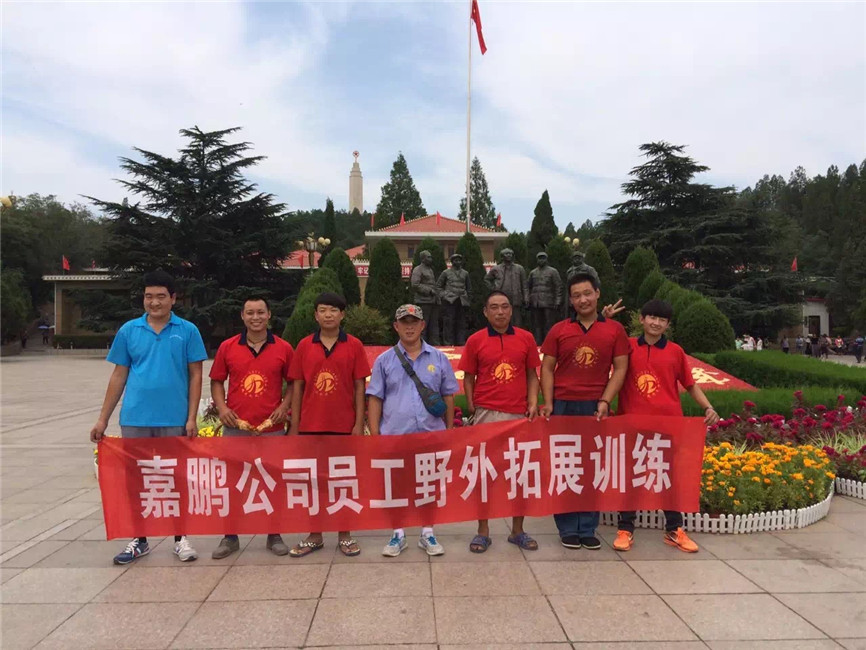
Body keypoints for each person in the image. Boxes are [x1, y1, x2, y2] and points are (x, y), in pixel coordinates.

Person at [90, 270, 207, 565]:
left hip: (174, 418)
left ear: (173, 298)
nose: (154, 302)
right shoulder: (129, 330)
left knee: (178, 478)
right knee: (136, 481)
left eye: (161, 296)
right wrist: (103, 419)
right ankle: (139, 539)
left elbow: (196, 375)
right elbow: (119, 375)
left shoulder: (187, 331)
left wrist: (191, 417)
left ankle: (181, 538)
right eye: (148, 296)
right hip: (136, 418)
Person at [612, 299, 720, 553]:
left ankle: (674, 529)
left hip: (667, 426)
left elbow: (690, 384)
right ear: (642, 319)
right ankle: (625, 529)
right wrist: (605, 319)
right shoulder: (627, 347)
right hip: (633, 423)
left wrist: (708, 407)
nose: (656, 323)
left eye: (662, 320)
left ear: (668, 325)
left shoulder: (675, 352)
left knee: (668, 478)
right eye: (652, 317)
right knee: (632, 476)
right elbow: (604, 343)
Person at [540, 272, 629, 550]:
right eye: (576, 295)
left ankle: (588, 527)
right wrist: (549, 402)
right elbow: (546, 367)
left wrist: (605, 400)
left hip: (595, 405)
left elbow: (621, 368)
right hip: (564, 404)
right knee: (565, 465)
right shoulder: (559, 330)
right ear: (570, 300)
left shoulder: (614, 330)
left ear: (598, 293)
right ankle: (567, 527)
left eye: (587, 293)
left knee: (592, 466)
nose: (583, 300)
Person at [367, 304, 459, 557]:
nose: (409, 327)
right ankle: (398, 534)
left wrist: (449, 430)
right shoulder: (384, 360)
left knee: (429, 484)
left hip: (430, 434)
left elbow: (448, 395)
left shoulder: (438, 358)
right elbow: (375, 398)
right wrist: (375, 435)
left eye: (414, 322)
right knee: (396, 486)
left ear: (422, 325)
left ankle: (428, 532)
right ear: (396, 326)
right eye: (404, 323)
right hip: (395, 435)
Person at [287, 292, 371, 558]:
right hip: (311, 425)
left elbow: (360, 386)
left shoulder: (354, 345)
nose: (328, 315)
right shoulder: (304, 346)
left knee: (343, 481)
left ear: (342, 315)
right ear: (315, 315)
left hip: (343, 426)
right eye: (322, 310)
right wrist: (295, 425)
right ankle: (315, 535)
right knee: (313, 482)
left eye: (333, 310)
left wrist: (358, 423)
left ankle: (345, 535)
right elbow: (297, 386)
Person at [209, 296, 294, 559]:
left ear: (269, 315)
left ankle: (274, 534)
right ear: (242, 316)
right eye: (250, 313)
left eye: (260, 312)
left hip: (271, 428)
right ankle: (230, 536)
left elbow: (293, 383)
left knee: (272, 482)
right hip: (237, 427)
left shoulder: (283, 348)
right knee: (233, 482)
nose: (255, 317)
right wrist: (222, 409)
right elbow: (217, 381)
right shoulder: (227, 347)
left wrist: (285, 406)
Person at [460, 290, 540, 553]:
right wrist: (472, 405)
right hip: (487, 413)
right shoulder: (476, 340)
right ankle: (483, 531)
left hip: (518, 415)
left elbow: (532, 374)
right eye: (494, 307)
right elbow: (468, 377)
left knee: (519, 474)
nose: (500, 312)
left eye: (505, 306)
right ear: (485, 312)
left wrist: (532, 402)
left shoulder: (526, 338)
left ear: (511, 310)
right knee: (485, 474)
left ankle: (518, 530)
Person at [484, 248, 529, 327]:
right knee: (502, 318)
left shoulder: (519, 268)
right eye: (506, 254)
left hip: (516, 297)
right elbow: (486, 279)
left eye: (510, 254)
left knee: (517, 321)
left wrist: (526, 297)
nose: (509, 255)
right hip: (501, 297)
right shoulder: (496, 269)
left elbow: (524, 285)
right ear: (502, 256)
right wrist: (494, 289)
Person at [528, 251, 563, 344]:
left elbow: (558, 286)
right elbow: (528, 287)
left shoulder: (553, 271)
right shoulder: (533, 272)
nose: (541, 260)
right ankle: (537, 343)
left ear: (546, 260)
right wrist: (528, 299)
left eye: (543, 258)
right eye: (539, 258)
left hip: (548, 302)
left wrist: (558, 301)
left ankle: (549, 343)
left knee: (549, 324)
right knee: (536, 325)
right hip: (536, 302)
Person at [437, 253, 471, 345]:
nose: (458, 262)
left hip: (462, 301)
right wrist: (444, 295)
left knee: (461, 323)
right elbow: (438, 287)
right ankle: (448, 343)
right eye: (456, 260)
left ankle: (461, 342)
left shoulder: (465, 273)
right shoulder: (446, 273)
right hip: (450, 301)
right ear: (452, 262)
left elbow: (469, 288)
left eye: (459, 260)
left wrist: (467, 298)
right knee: (448, 323)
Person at [410, 250, 440, 345]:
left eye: (430, 257)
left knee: (434, 325)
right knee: (423, 325)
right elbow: (415, 284)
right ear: (423, 259)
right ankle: (422, 345)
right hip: (423, 301)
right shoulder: (418, 269)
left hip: (433, 301)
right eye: (428, 257)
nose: (430, 259)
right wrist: (429, 290)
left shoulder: (430, 270)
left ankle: (435, 345)